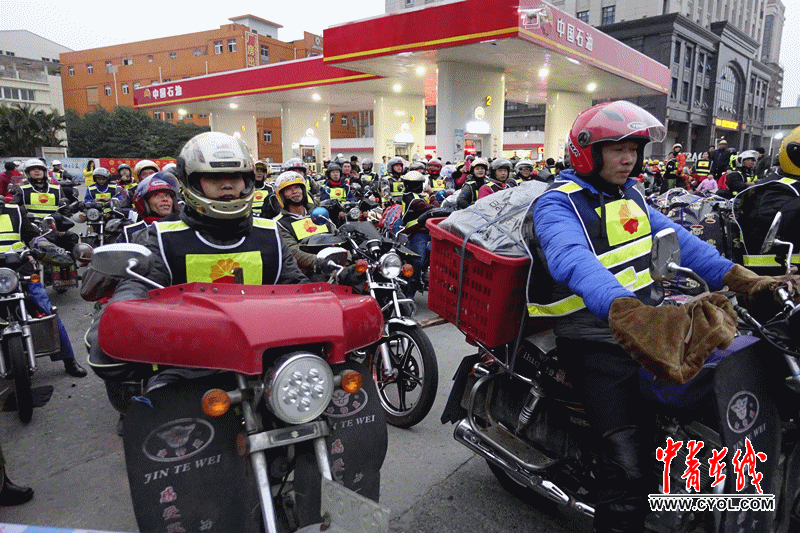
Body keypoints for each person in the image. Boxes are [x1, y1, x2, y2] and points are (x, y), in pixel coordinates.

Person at [526, 100, 786, 533]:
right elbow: (571, 259)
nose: (628, 158)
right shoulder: (558, 205)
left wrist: (745, 280)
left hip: (644, 324)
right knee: (629, 463)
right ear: (587, 151)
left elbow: (683, 241)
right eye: (616, 149)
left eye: (634, 148)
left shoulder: (630, 195)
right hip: (594, 338)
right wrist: (622, 308)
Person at [87, 132, 308, 427]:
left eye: (236, 177)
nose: (228, 185)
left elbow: (294, 286)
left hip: (265, 361)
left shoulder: (270, 234)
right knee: (163, 439)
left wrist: (335, 287)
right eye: (214, 178)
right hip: (187, 365)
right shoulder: (163, 237)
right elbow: (138, 283)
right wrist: (122, 310)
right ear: (191, 182)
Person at [732, 126, 800, 274]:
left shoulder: (772, 182)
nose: (751, 162)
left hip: (755, 274)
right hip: (779, 279)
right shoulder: (792, 195)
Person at [273, 171, 336, 277]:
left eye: (297, 187)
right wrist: (321, 262)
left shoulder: (318, 214)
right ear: (281, 195)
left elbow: (337, 237)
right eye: (289, 189)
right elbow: (294, 253)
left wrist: (348, 257)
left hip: (334, 265)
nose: (294, 192)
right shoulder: (281, 224)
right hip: (307, 273)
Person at [399, 170, 437, 298]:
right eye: (411, 183)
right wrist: (432, 195)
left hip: (428, 231)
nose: (413, 186)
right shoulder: (411, 198)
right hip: (416, 233)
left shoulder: (417, 196)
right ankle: (409, 295)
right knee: (418, 261)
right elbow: (434, 209)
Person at [121, 173, 181, 243]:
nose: (165, 199)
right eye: (156, 195)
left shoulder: (185, 227)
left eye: (167, 195)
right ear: (144, 203)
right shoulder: (129, 233)